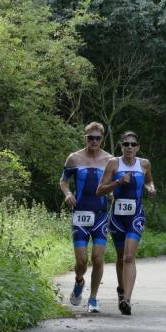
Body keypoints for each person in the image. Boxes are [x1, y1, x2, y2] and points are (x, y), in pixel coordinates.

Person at [96, 131, 156, 316]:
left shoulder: (144, 164)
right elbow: (100, 190)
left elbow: (149, 181)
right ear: (121, 146)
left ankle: (127, 300)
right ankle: (121, 291)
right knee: (121, 256)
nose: (129, 147)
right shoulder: (113, 163)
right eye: (126, 144)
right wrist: (118, 182)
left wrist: (151, 188)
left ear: (137, 147)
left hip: (136, 216)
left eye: (133, 144)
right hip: (117, 217)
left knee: (129, 256)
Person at [59, 122, 114, 313]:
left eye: (97, 138)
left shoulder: (110, 160)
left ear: (102, 139)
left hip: (100, 215)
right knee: (82, 261)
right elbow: (63, 181)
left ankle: (93, 299)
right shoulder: (74, 158)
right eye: (91, 137)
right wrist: (67, 194)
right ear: (85, 138)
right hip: (80, 214)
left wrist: (112, 193)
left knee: (97, 258)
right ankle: (79, 280)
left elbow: (114, 184)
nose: (94, 141)